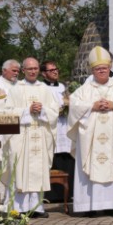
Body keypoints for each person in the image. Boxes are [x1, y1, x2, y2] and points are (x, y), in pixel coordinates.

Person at [67, 47, 113, 217]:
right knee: (90, 167)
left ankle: (111, 206)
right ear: (92, 70)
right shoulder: (85, 89)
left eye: (104, 68)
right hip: (91, 139)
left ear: (109, 68)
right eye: (98, 69)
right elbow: (74, 105)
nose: (101, 71)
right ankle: (90, 206)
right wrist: (92, 106)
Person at [2, 57, 59, 217]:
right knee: (21, 170)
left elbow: (54, 112)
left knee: (37, 172)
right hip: (22, 138)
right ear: (23, 71)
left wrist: (42, 110)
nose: (33, 71)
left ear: (38, 71)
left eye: (35, 68)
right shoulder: (16, 89)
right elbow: (8, 112)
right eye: (29, 69)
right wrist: (27, 110)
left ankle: (37, 208)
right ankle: (19, 208)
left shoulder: (45, 89)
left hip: (40, 136)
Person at [41, 60, 75, 203]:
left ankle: (69, 193)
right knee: (52, 158)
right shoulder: (41, 88)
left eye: (56, 69)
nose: (55, 72)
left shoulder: (64, 87)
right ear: (43, 73)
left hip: (65, 126)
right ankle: (51, 195)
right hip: (51, 127)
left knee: (67, 157)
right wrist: (57, 111)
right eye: (51, 70)